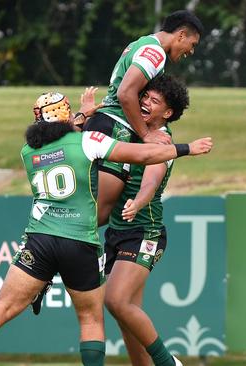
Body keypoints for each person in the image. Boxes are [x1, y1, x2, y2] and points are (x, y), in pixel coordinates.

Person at [0, 91, 212, 366]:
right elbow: (141, 153)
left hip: (39, 240)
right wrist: (186, 148)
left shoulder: (28, 151)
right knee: (90, 320)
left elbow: (60, 133)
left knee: (2, 306)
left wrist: (83, 115)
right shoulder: (89, 141)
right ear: (67, 116)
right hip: (80, 241)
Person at [85, 10, 204, 229]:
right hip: (115, 127)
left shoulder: (141, 43)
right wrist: (146, 134)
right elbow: (125, 93)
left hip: (103, 124)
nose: (191, 51)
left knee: (92, 211)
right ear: (181, 34)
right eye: (192, 43)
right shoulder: (155, 53)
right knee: (97, 215)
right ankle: (52, 258)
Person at [103, 75, 192, 366]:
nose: (145, 102)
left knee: (116, 301)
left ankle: (168, 363)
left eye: (154, 101)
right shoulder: (137, 133)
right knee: (127, 317)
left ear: (167, 113)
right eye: (145, 97)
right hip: (117, 232)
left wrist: (138, 203)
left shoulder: (163, 141)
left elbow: (150, 182)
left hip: (144, 232)